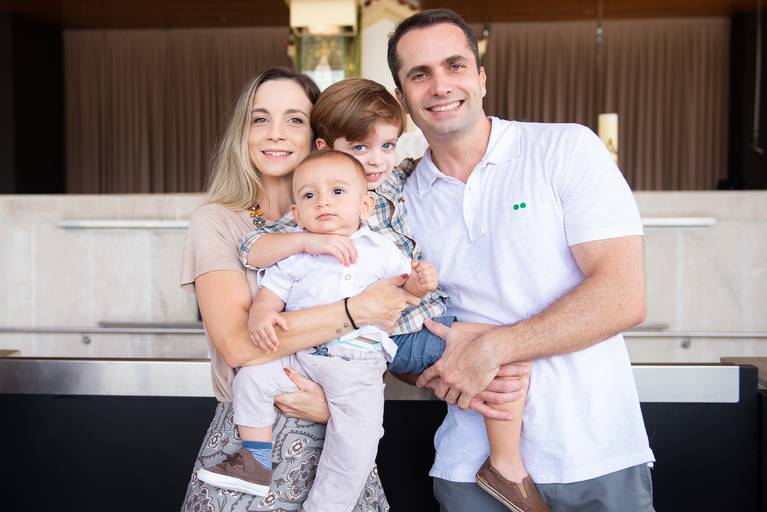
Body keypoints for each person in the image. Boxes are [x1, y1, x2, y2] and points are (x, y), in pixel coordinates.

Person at [387, 8, 656, 512]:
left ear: (481, 77)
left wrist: (493, 349)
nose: (441, 86)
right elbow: (395, 326)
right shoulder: (397, 200)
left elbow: (624, 295)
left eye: (454, 66)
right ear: (402, 98)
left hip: (594, 451)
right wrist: (433, 369)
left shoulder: (564, 149)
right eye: (419, 74)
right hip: (469, 466)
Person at [238, 78, 544, 511]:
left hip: (410, 318)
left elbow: (426, 163)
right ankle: (506, 468)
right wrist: (309, 241)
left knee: (505, 343)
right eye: (359, 148)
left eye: (387, 146)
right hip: (390, 332)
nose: (376, 159)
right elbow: (253, 247)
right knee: (500, 347)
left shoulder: (394, 179)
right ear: (325, 148)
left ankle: (504, 461)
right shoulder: (317, 206)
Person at [179, 67, 418, 512]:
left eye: (294, 119)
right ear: (244, 132)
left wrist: (334, 406)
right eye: (260, 118)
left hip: (340, 447)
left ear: (318, 137)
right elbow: (240, 347)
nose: (276, 133)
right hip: (253, 444)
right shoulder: (218, 222)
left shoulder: (360, 220)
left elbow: (390, 321)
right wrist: (356, 310)